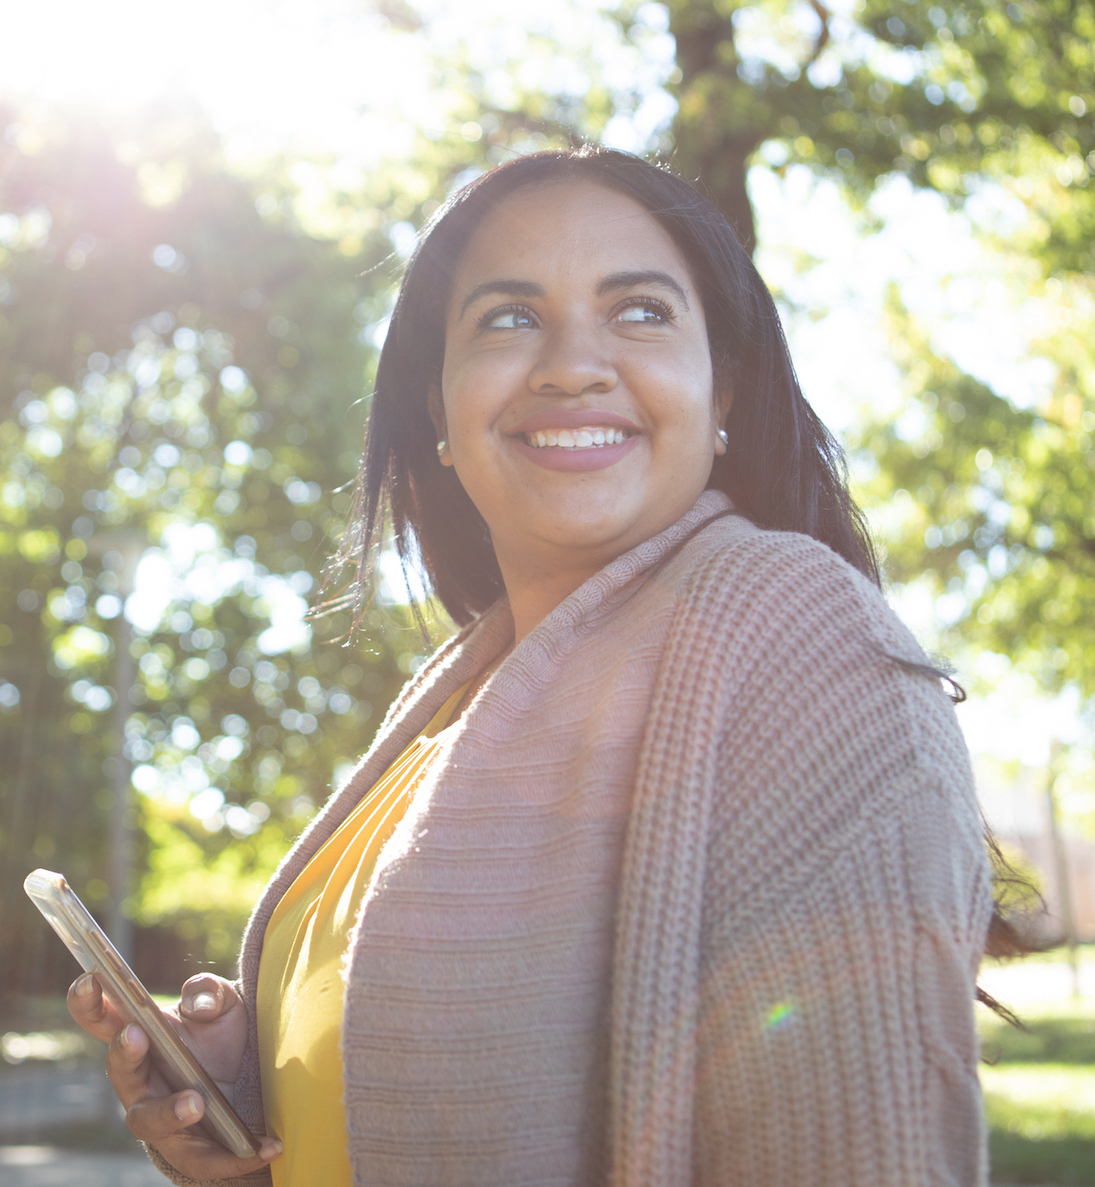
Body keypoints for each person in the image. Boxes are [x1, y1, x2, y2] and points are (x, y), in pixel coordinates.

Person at [69, 146, 994, 1186]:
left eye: (640, 310)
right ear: (440, 411)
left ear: (722, 385)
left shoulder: (795, 639)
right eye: (509, 317)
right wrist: (254, 1101)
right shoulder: (460, 696)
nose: (570, 364)